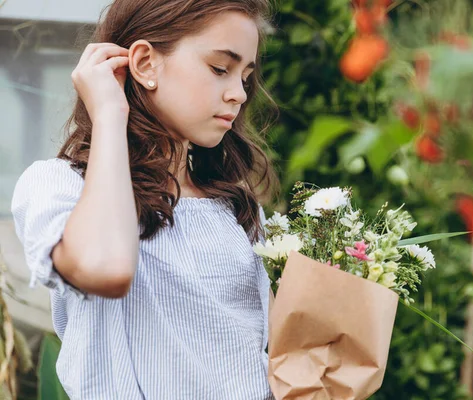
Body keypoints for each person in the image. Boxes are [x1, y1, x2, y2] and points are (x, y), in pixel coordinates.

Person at [11, 0, 279, 398]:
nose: (239, 94)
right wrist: (108, 113)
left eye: (245, 76)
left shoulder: (235, 207)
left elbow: (275, 352)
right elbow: (105, 269)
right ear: (145, 64)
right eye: (220, 68)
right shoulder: (60, 186)